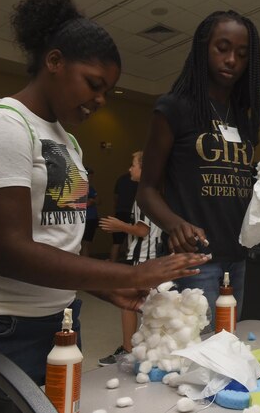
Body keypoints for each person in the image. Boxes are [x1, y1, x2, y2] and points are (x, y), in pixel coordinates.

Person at [0, 0, 209, 385]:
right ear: (54, 61)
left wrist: (106, 290)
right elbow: (9, 252)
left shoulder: (66, 142)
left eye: (107, 91)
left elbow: (58, 242)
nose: (101, 100)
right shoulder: (2, 126)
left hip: (57, 319)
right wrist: (128, 275)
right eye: (93, 84)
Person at [137, 10, 260, 329]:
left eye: (242, 53)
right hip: (196, 258)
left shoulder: (244, 118)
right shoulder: (175, 108)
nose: (232, 59)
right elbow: (147, 190)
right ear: (202, 49)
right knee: (198, 358)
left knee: (228, 348)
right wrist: (175, 225)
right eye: (222, 48)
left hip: (238, 256)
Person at [97, 151, 163, 365]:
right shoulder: (156, 193)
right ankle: (136, 349)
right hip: (150, 257)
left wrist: (119, 225)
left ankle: (131, 351)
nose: (129, 169)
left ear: (144, 169)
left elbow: (142, 231)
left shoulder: (144, 196)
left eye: (133, 164)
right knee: (138, 306)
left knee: (133, 304)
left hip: (146, 258)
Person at [110, 172, 138, 262]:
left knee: (117, 242)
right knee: (131, 239)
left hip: (120, 212)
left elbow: (115, 197)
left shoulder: (121, 179)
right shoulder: (139, 180)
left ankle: (112, 265)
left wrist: (115, 211)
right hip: (132, 213)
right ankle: (127, 262)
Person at [80, 167, 99, 256]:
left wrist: (92, 201)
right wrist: (91, 200)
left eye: (92, 177)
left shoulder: (91, 188)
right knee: (84, 244)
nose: (90, 179)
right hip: (84, 219)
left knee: (88, 243)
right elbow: (85, 203)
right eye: (89, 176)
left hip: (92, 218)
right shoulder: (79, 187)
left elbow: (99, 201)